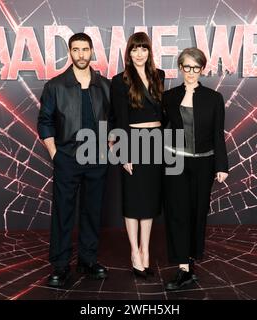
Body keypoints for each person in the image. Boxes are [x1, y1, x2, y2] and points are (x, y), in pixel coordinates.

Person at [37, 33, 112, 287]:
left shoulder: (105, 85)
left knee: (92, 212)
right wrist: (55, 154)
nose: (81, 54)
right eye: (76, 49)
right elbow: (45, 122)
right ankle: (60, 265)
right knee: (63, 212)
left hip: (97, 158)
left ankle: (88, 260)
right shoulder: (55, 86)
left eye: (85, 49)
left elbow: (113, 121)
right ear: (70, 52)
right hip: (67, 157)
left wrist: (109, 146)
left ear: (92, 52)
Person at [162, 47, 229, 290]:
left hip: (204, 163)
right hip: (176, 162)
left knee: (197, 213)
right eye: (186, 67)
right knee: (177, 213)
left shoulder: (214, 98)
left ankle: (191, 261)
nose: (191, 72)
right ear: (180, 68)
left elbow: (217, 134)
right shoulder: (168, 97)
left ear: (202, 69)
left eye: (195, 68)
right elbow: (159, 129)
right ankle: (183, 269)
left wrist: (222, 165)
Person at [111, 32, 165, 278]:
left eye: (144, 49)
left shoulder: (159, 75)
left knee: (150, 201)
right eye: (135, 49)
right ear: (129, 53)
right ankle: (134, 251)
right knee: (133, 200)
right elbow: (119, 117)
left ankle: (145, 250)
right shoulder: (119, 80)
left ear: (149, 52)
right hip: (133, 142)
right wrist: (122, 152)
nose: (139, 54)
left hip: (156, 143)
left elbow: (164, 114)